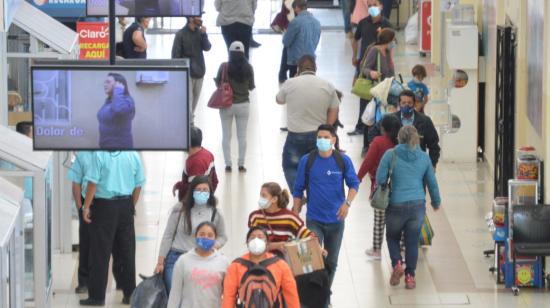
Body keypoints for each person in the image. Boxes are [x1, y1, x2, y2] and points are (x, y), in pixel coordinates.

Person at [292, 124, 360, 294]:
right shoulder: (307, 160)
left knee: (331, 261)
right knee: (311, 260)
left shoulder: (342, 160)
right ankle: (311, 295)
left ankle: (324, 296)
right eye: (319, 137)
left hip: (336, 220)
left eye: (326, 137)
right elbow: (298, 188)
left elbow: (354, 184)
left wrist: (347, 203)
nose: (322, 140)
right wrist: (295, 212)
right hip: (314, 220)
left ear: (333, 140)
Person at [376, 126, 441, 289]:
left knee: (392, 237)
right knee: (412, 242)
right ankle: (410, 277)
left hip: (396, 203)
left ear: (399, 138)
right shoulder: (424, 157)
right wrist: (436, 202)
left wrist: (388, 183)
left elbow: (380, 178)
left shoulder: (391, 154)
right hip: (417, 205)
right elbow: (432, 183)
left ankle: (397, 263)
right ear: (416, 138)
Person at [80, 151, 145, 305]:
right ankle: (129, 293)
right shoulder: (133, 155)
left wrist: (86, 207)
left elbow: (92, 183)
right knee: (127, 251)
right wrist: (130, 206)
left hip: (104, 206)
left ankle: (97, 297)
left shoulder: (99, 155)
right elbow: (138, 184)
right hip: (125, 204)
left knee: (100, 253)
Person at [276, 55, 340, 190]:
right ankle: (314, 193)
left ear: (298, 69)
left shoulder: (290, 83)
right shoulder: (327, 85)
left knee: (290, 166)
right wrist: (327, 128)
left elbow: (279, 100)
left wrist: (293, 80)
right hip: (318, 135)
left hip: (295, 135)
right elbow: (334, 110)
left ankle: (297, 195)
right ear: (316, 68)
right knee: (318, 167)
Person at [156, 176, 227, 292]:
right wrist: (160, 262)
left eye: (205, 190)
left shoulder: (216, 213)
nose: (202, 192)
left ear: (210, 192)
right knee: (174, 293)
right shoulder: (180, 209)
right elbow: (168, 235)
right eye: (198, 190)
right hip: (176, 257)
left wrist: (212, 245)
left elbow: (223, 236)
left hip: (202, 259)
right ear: (192, 191)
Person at [222, 227, 300, 308]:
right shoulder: (235, 266)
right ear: (247, 243)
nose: (256, 240)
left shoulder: (280, 265)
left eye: (260, 237)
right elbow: (228, 297)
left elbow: (291, 295)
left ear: (267, 243)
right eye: (252, 237)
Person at [357, 114, 400, 259]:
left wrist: (357, 179)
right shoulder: (401, 143)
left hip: (381, 186)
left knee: (379, 219)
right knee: (399, 220)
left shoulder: (378, 141)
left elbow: (368, 162)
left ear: (383, 128)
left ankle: (377, 250)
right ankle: (402, 249)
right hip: (400, 186)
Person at [348, 0, 392, 137]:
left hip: (380, 67)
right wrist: (354, 56)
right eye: (370, 5)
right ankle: (361, 126)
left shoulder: (386, 24)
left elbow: (391, 45)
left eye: (375, 4)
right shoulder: (363, 23)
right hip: (365, 64)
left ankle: (378, 128)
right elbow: (355, 39)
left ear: (381, 6)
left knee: (380, 99)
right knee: (364, 96)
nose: (372, 7)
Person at [368, 89, 441, 168]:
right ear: (399, 104)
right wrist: (374, 147)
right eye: (403, 103)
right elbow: (373, 132)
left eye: (409, 103)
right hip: (396, 166)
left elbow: (434, 146)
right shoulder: (390, 119)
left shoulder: (425, 121)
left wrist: (432, 165)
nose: (406, 105)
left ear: (414, 104)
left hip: (418, 166)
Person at [167, 221, 229, 308]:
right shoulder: (183, 261)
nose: (206, 238)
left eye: (210, 235)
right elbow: (175, 293)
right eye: (202, 234)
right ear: (195, 236)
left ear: (215, 239)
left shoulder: (223, 261)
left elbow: (228, 294)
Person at [215, 41, 255, 172]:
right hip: (243, 105)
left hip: (226, 105)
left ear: (230, 52)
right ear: (243, 52)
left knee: (226, 136)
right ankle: (241, 164)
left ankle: (228, 164)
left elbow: (218, 84)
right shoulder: (248, 67)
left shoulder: (224, 66)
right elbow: (251, 87)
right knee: (242, 136)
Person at [248, 182, 313, 256]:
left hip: (284, 264)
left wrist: (319, 248)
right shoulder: (255, 217)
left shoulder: (290, 218)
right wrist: (277, 245)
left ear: (274, 199)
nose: (260, 198)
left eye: (264, 196)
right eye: (260, 195)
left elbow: (308, 235)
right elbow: (253, 244)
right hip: (261, 262)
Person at [360, 28, 397, 153]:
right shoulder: (374, 51)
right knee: (371, 117)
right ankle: (366, 146)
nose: (394, 42)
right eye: (393, 40)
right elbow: (364, 68)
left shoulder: (387, 52)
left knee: (382, 116)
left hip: (386, 91)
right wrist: (372, 73)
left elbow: (391, 73)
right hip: (375, 90)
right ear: (388, 40)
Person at [172, 16, 212, 123]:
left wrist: (204, 35)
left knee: (195, 100)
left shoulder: (200, 33)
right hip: (187, 72)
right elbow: (175, 55)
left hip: (200, 71)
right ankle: (189, 123)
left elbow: (207, 47)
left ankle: (190, 120)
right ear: (190, 18)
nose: (201, 19)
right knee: (188, 100)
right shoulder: (180, 34)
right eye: (198, 17)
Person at [68, 151, 94, 294]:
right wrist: (80, 207)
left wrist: (80, 206)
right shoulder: (83, 156)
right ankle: (87, 282)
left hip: (91, 203)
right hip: (99, 203)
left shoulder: (82, 155)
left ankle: (86, 282)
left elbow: (76, 184)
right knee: (89, 244)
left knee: (87, 243)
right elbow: (75, 183)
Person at [172, 127, 218, 202]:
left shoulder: (196, 163)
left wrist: (179, 186)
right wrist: (209, 197)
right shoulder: (208, 154)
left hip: (191, 206)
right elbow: (215, 181)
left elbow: (193, 188)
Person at [283, 0, 321, 77]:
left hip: (296, 61)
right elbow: (316, 41)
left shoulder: (296, 22)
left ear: (297, 8)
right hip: (311, 60)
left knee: (295, 84)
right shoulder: (317, 22)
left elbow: (286, 42)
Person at [97, 73, 136, 149]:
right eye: (105, 82)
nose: (105, 85)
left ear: (119, 84)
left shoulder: (127, 100)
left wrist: (118, 90)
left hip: (121, 150)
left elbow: (119, 110)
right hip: (105, 147)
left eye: (108, 82)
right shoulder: (109, 101)